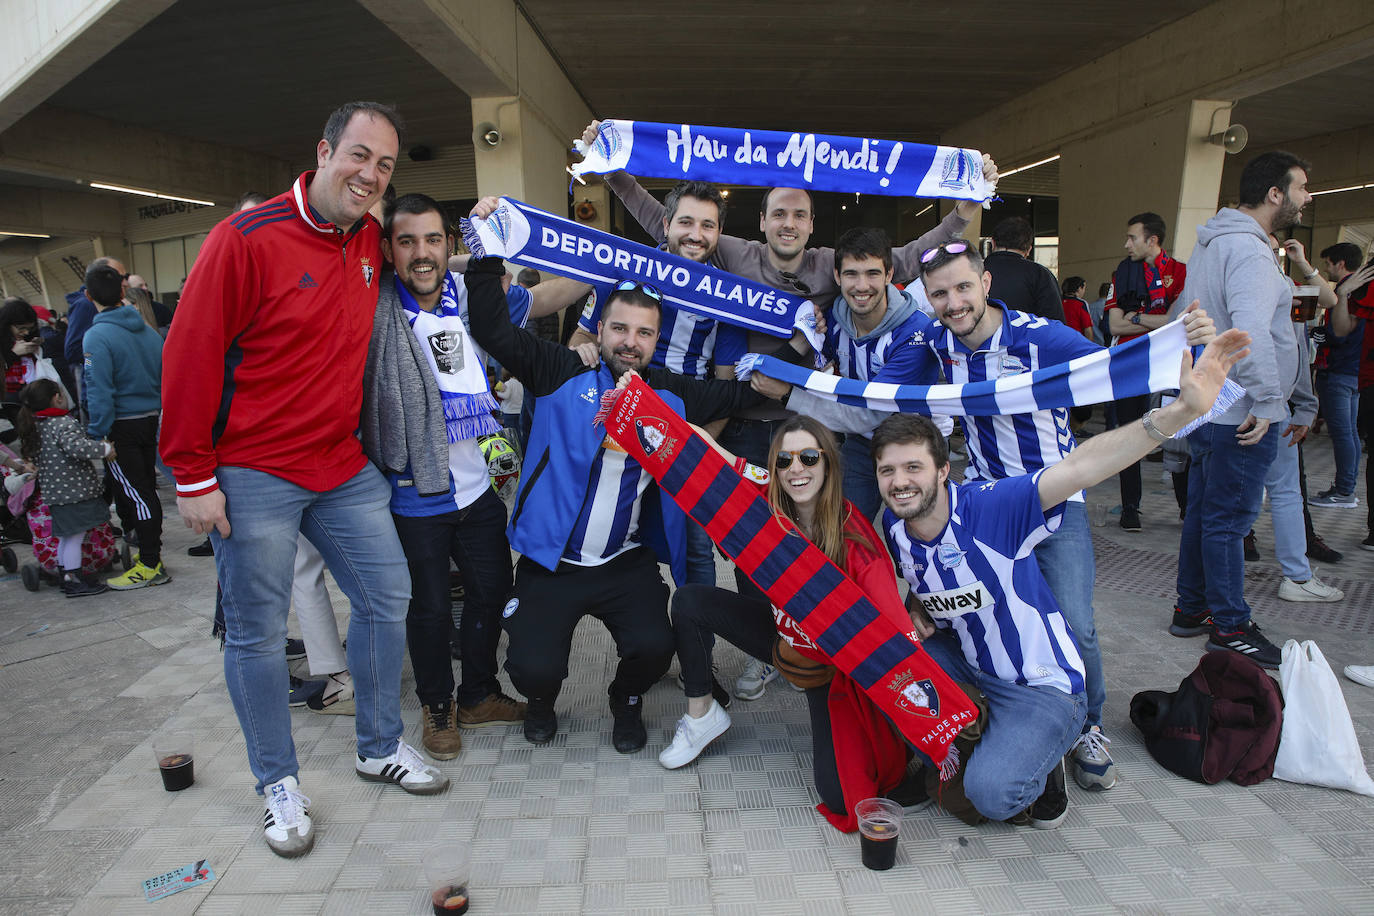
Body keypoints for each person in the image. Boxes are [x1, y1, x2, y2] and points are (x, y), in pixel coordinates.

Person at [753, 240, 1225, 791]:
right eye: (939, 294)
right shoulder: (932, 340)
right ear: (926, 300)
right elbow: (873, 398)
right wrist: (799, 388)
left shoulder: (1039, 337)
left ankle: (1086, 726)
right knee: (972, 613)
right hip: (985, 502)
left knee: (1075, 620)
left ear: (985, 285)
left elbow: (1112, 368)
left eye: (962, 288)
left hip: (1053, 494)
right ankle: (994, 708)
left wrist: (1178, 344)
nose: (953, 303)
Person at [161, 101, 447, 860]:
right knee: (256, 632)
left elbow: (434, 260)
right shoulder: (242, 239)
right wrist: (192, 474)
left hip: (340, 462)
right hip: (251, 468)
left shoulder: (366, 242)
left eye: (384, 165)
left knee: (388, 595)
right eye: (359, 156)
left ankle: (377, 744)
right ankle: (277, 783)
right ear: (324, 150)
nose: (370, 174)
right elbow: (189, 355)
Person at [873, 326, 1251, 825]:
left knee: (991, 796)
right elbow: (936, 582)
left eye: (913, 468)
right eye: (888, 471)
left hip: (1039, 684)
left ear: (944, 470)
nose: (900, 483)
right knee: (883, 661)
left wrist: (1179, 413)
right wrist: (917, 607)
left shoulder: (992, 508)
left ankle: (1050, 756)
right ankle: (973, 737)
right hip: (969, 664)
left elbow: (1080, 467)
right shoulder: (894, 527)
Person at [463, 195, 786, 752]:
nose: (629, 343)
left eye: (643, 334)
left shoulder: (668, 393)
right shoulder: (560, 368)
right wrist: (488, 251)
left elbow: (740, 390)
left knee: (656, 648)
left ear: (655, 341)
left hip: (625, 562)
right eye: (620, 329)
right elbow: (493, 330)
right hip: (552, 562)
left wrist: (797, 353)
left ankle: (626, 698)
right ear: (600, 328)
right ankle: (540, 700)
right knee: (531, 665)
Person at [363, 193, 589, 761]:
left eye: (433, 240)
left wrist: (611, 259)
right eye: (407, 241)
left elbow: (540, 299)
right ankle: (437, 706)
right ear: (389, 248)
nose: (422, 253)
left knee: (492, 592)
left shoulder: (469, 295)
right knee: (432, 608)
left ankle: (480, 694)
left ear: (451, 245)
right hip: (418, 490)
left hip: (482, 482)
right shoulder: (373, 306)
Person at [659, 415, 917, 817]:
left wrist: (926, 717)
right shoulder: (773, 496)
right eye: (785, 460)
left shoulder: (855, 540)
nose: (796, 469)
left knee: (839, 797)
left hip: (828, 670)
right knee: (690, 602)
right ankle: (701, 716)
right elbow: (715, 454)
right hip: (784, 638)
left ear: (828, 463)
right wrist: (641, 401)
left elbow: (895, 637)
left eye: (809, 457)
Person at [1168, 151, 1313, 668]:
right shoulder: (1249, 254)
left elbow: (1184, 314)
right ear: (1275, 194)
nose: (1306, 198)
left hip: (1214, 407)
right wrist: (1273, 402)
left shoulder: (1212, 245)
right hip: (1244, 414)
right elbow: (1248, 335)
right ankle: (1230, 626)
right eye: (1300, 189)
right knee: (1227, 523)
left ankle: (1191, 609)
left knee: (1205, 516)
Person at [81, 261, 168, 589]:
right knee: (147, 490)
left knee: (139, 494)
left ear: (88, 295)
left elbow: (96, 387)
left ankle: (149, 564)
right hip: (152, 421)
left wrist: (97, 434)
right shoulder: (149, 332)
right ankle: (150, 558)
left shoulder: (95, 338)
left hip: (121, 427)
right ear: (122, 291)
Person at [1105, 212, 1187, 531]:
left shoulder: (1179, 272)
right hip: (1131, 364)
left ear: (1152, 240)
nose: (1127, 244)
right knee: (1130, 435)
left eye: (1132, 238)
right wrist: (1157, 320)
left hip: (1168, 365)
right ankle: (1130, 507)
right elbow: (1114, 324)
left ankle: (1186, 507)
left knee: (1178, 434)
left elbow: (1177, 320)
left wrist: (1137, 318)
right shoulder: (1123, 273)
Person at [14, 378, 111, 597]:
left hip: (55, 493)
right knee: (75, 537)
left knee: (67, 537)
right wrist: (103, 449)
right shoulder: (62, 423)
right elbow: (77, 447)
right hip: (73, 493)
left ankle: (65, 573)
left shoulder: (38, 424)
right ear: (57, 398)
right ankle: (74, 579)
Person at [1309, 242, 1367, 508]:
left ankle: (1345, 491)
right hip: (1355, 372)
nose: (1328, 270)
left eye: (1329, 264)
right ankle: (1345, 487)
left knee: (1343, 434)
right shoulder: (1362, 292)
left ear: (1340, 263)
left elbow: (1341, 333)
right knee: (1350, 433)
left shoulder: (1347, 293)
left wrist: (1321, 336)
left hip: (1338, 371)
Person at [983, 216, 1065, 322]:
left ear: (993, 243)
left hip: (977, 338)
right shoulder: (1040, 275)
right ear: (1029, 250)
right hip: (1026, 337)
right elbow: (1055, 324)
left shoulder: (975, 270)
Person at [2, 297, 45, 400]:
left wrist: (38, 349)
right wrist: (13, 354)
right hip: (6, 399)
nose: (26, 332)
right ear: (7, 325)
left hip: (31, 395)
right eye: (21, 328)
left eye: (30, 328)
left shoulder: (28, 339)